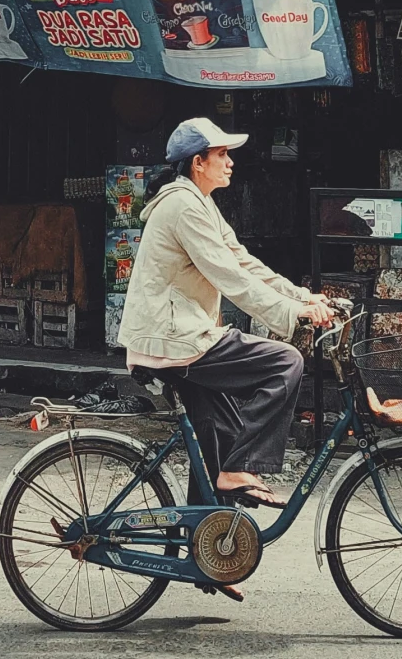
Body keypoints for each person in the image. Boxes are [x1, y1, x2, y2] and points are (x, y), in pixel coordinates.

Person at [119, 117, 335, 509]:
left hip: (180, 336)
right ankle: (240, 470)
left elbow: (244, 262)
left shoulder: (199, 202)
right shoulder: (183, 206)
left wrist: (301, 296)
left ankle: (203, 540)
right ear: (198, 163)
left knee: (220, 435)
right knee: (286, 361)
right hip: (175, 339)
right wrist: (293, 312)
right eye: (221, 154)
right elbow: (230, 277)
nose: (230, 162)